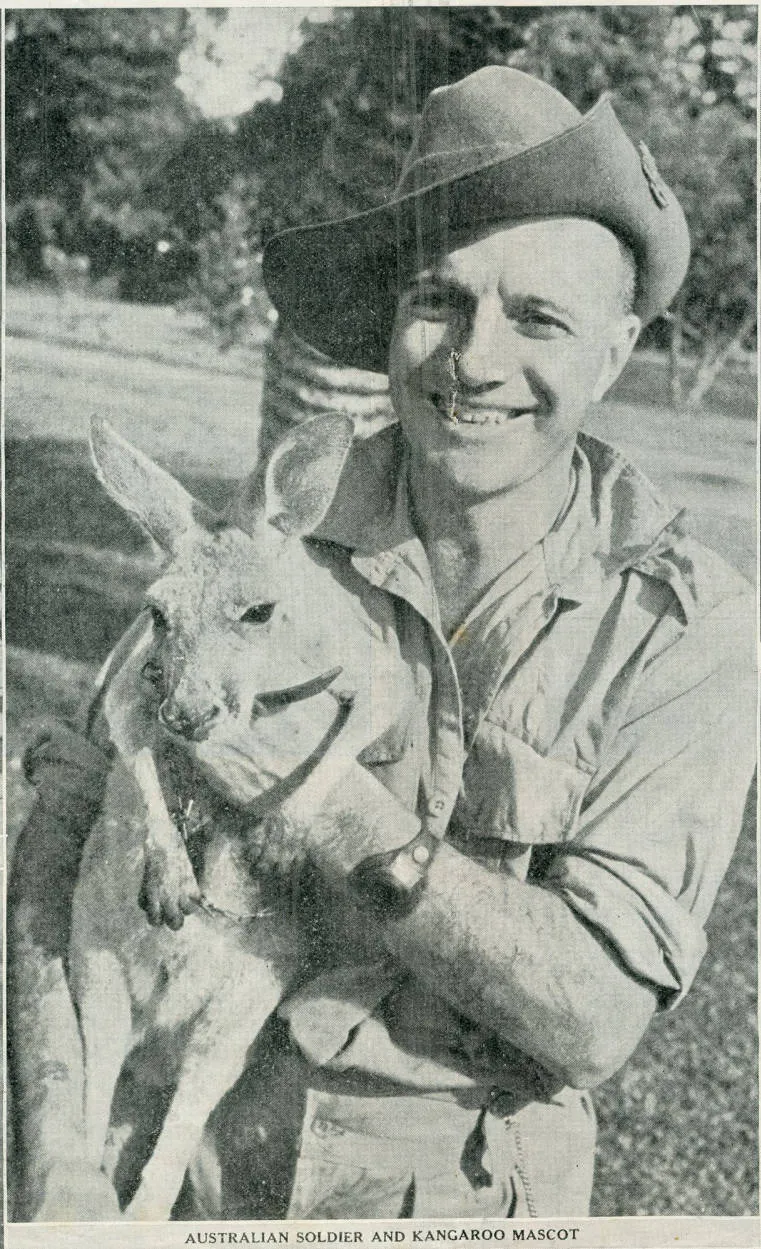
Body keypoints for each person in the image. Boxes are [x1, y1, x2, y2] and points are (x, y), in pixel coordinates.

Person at [10, 67, 756, 1221]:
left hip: (450, 1199)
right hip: (180, 1164)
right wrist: (58, 1148)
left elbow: (594, 1017)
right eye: (437, 300)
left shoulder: (683, 623)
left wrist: (327, 801)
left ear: (612, 355)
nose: (473, 356)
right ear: (387, 322)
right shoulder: (262, 543)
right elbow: (62, 830)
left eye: (538, 317)